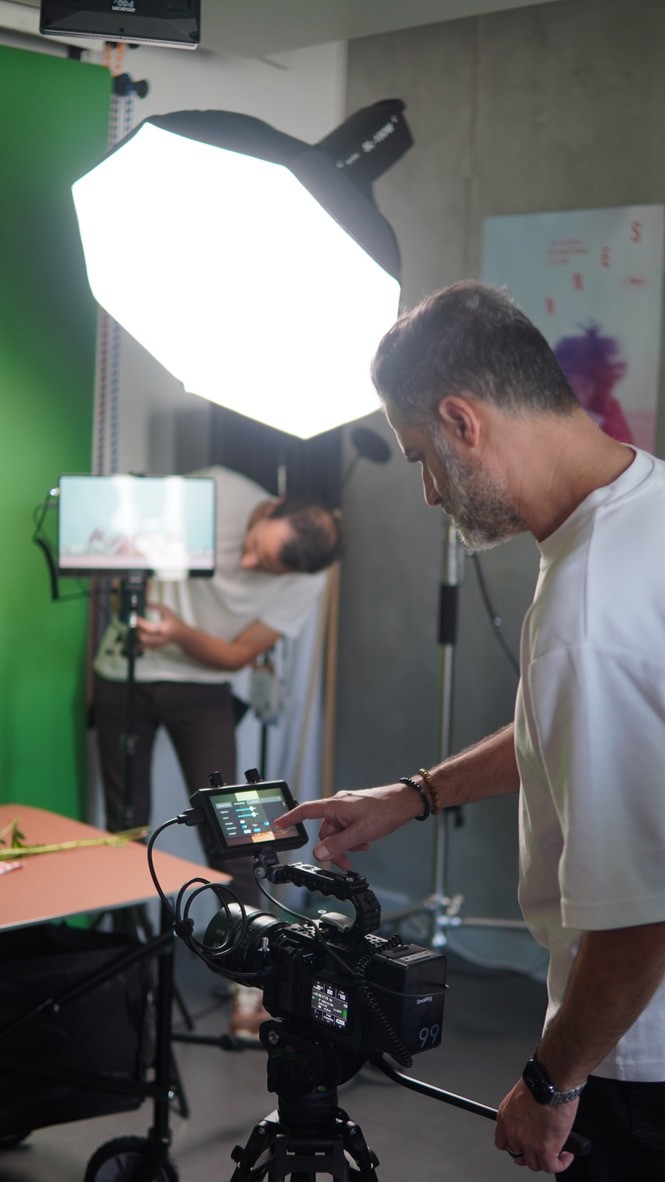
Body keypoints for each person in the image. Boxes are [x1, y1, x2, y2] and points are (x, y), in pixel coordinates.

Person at [275, 282, 665, 1178]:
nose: (425, 492)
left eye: (420, 455)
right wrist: (415, 796)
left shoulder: (587, 609)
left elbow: (640, 913)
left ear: (462, 421)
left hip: (637, 1061)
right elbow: (568, 727)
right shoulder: (638, 501)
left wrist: (551, 1083)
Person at [93, 464, 342, 1033]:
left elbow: (235, 656)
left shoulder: (307, 578)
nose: (249, 565)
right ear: (272, 505)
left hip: (201, 685)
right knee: (124, 827)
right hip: (122, 671)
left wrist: (178, 633)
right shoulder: (212, 490)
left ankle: (249, 988)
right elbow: (125, 537)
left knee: (234, 833)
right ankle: (124, 983)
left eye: (266, 567)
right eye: (255, 549)